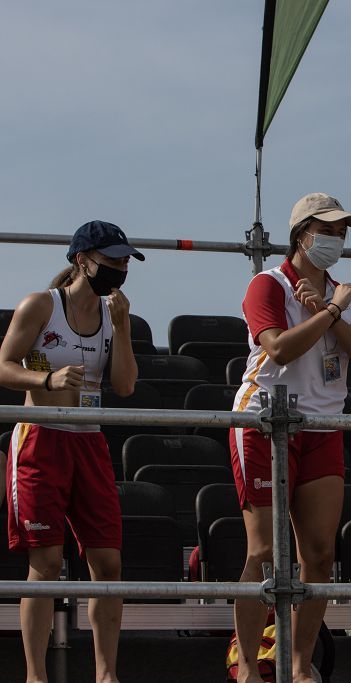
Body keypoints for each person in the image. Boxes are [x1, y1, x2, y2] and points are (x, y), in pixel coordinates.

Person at [229, 192, 351, 683]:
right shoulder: (267, 284)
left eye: (342, 232)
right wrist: (330, 314)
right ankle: (249, 669)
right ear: (301, 235)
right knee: (264, 552)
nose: (337, 240)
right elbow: (278, 349)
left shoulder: (343, 294)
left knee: (319, 555)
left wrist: (334, 310)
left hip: (322, 426)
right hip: (263, 422)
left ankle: (296, 667)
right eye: (328, 230)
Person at [0, 220, 142, 683]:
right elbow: (3, 365)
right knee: (44, 563)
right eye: (113, 259)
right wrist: (46, 380)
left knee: (108, 563)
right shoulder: (42, 305)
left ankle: (106, 675)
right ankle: (36, 676)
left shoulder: (113, 313)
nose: (121, 268)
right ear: (82, 260)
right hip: (41, 436)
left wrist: (121, 327)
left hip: (89, 439)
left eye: (125, 260)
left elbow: (123, 385)